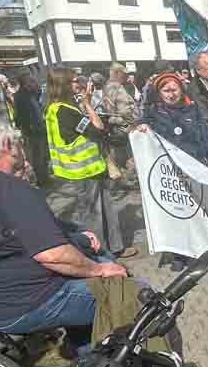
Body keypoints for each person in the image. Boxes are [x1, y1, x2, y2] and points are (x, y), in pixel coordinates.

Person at [0, 116, 127, 351]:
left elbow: (26, 233)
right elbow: (53, 256)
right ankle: (116, 363)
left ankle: (89, 354)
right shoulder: (8, 188)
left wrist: (78, 237)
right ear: (7, 145)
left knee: (94, 264)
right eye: (18, 141)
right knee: (127, 291)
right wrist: (100, 270)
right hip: (21, 305)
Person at [44, 66, 134, 257]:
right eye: (74, 80)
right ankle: (100, 253)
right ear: (63, 84)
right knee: (94, 215)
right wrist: (87, 103)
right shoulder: (65, 111)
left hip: (84, 169)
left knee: (105, 208)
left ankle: (115, 248)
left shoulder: (55, 108)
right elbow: (98, 129)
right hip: (84, 170)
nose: (79, 83)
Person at [139, 71, 208, 167]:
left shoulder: (193, 110)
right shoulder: (152, 114)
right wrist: (143, 127)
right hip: (169, 167)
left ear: (181, 90)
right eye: (166, 91)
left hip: (195, 163)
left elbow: (206, 138)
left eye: (174, 90)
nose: (171, 95)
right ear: (159, 93)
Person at [100, 61, 139, 190]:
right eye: (124, 74)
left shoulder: (106, 87)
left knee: (118, 156)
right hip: (123, 127)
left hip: (113, 127)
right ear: (117, 73)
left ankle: (119, 180)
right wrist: (133, 123)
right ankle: (128, 180)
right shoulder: (118, 88)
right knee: (131, 156)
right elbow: (125, 111)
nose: (126, 77)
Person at [12, 71, 49, 186]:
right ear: (24, 83)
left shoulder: (32, 93)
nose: (33, 82)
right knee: (35, 156)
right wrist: (27, 128)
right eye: (30, 80)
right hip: (30, 131)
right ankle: (40, 180)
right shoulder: (19, 96)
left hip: (39, 129)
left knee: (42, 155)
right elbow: (19, 115)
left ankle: (44, 177)